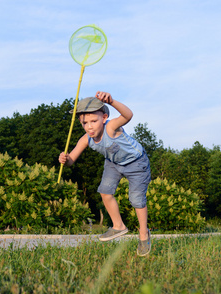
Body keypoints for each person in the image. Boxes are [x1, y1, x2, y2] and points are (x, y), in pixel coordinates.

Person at [58, 91, 152, 256]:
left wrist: (112, 101)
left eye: (93, 121)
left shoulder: (110, 127)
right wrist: (65, 159)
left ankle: (144, 234)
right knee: (105, 192)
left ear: (104, 117)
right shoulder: (85, 139)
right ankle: (118, 226)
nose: (89, 126)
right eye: (84, 123)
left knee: (136, 199)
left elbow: (128, 115)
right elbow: (72, 159)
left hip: (136, 163)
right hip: (114, 163)